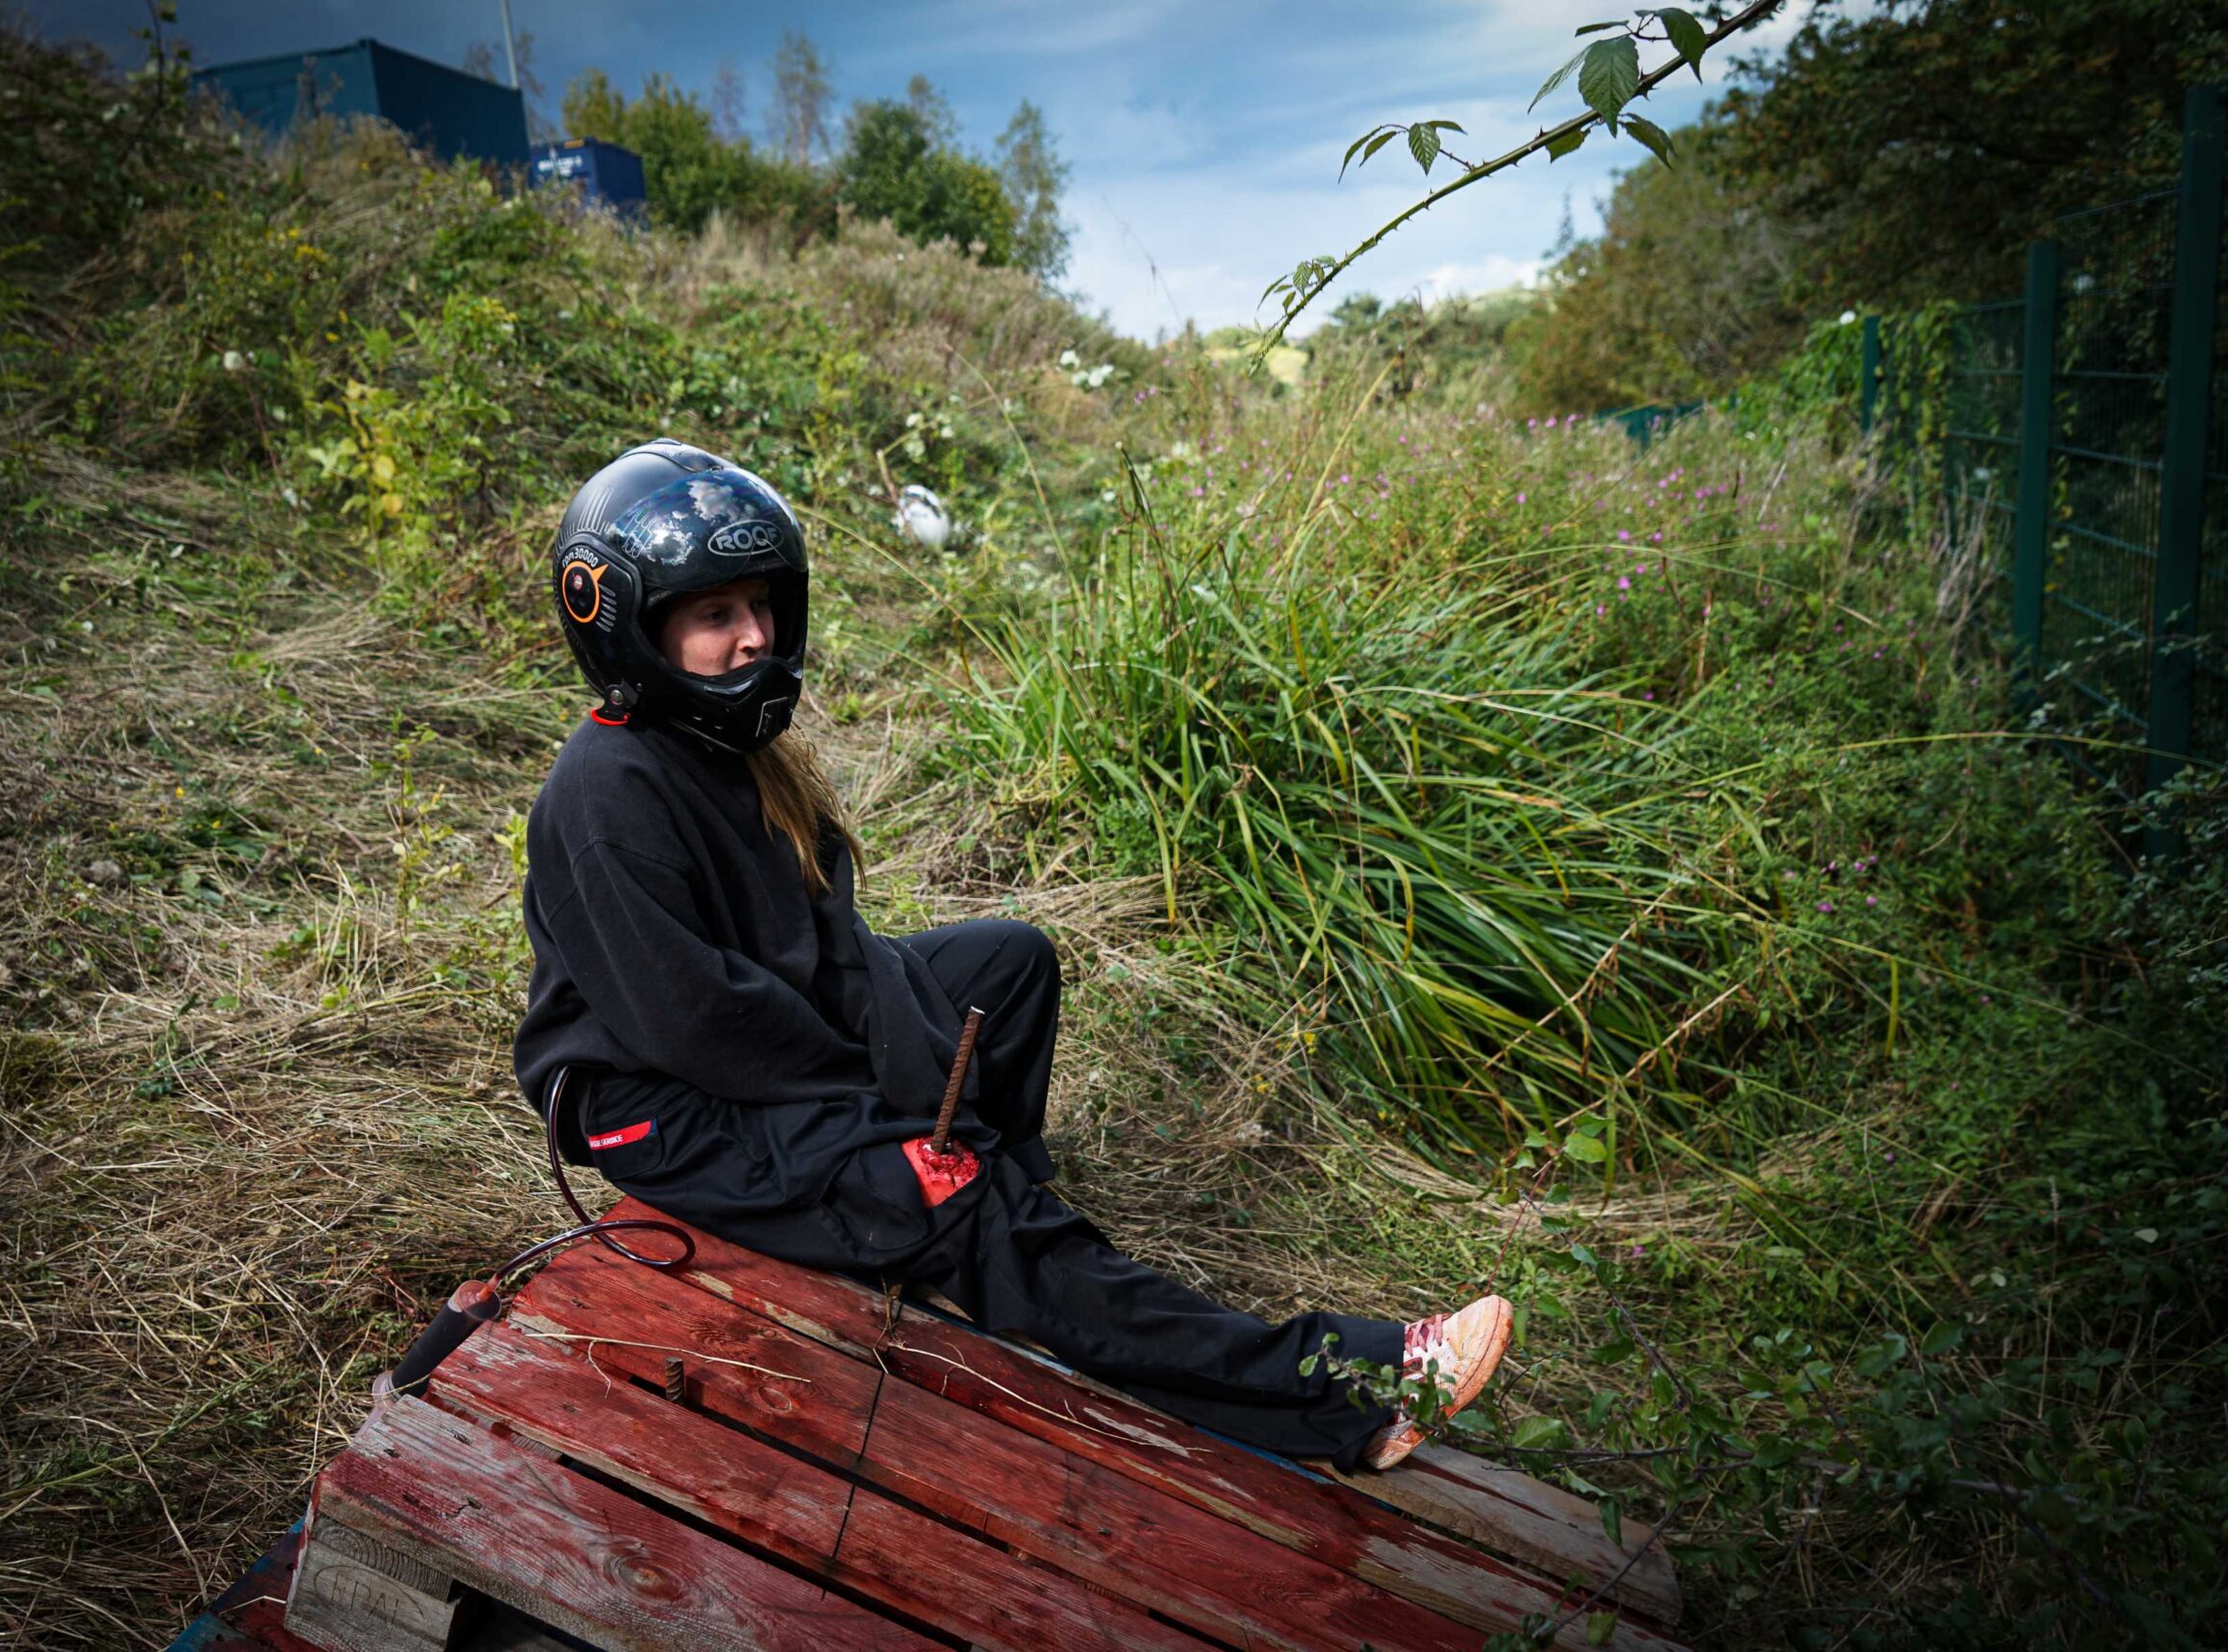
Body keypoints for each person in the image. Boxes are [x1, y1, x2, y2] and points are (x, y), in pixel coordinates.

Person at [512, 437, 1511, 1473]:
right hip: (669, 1109)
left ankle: (1004, 1234)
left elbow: (818, 941)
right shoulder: (604, 797)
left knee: (1008, 963)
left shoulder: (723, 747)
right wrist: (896, 1128)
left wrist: (897, 1063)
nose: (754, 636)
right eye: (717, 616)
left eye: (760, 607)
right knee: (948, 1189)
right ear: (633, 628)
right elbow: (699, 1024)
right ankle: (1348, 1388)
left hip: (765, 1030)